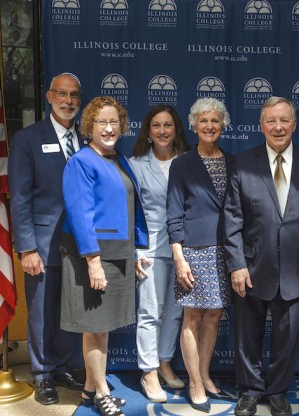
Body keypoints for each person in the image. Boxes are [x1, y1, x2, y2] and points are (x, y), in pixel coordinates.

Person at [224, 97, 299, 416]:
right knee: (247, 335)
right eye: (271, 121)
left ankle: (278, 390)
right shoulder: (242, 162)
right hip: (252, 266)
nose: (278, 127)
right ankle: (250, 390)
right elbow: (232, 218)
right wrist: (237, 265)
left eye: (284, 120)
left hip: (298, 270)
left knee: (287, 338)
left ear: (294, 125)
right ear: (261, 126)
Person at [59, 96, 148, 416]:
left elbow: (126, 210)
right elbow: (80, 214)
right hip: (93, 258)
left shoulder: (118, 159)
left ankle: (89, 388)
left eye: (114, 122)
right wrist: (93, 262)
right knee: (94, 327)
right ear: (89, 127)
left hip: (118, 254)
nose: (109, 128)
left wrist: (134, 251)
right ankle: (102, 393)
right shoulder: (81, 161)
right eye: (101, 122)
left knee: (104, 327)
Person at [9, 72, 85, 405]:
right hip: (41, 244)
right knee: (41, 311)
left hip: (79, 245)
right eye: (62, 94)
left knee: (71, 310)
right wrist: (26, 247)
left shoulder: (87, 138)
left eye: (74, 96)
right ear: (49, 97)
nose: (68, 101)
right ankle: (42, 375)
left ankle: (65, 365)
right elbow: (20, 196)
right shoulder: (28, 139)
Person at [167, 97, 234, 413]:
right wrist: (179, 258)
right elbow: (174, 214)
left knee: (215, 315)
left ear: (223, 126)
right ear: (194, 125)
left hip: (227, 251)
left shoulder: (233, 162)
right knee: (192, 316)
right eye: (203, 121)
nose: (209, 126)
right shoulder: (182, 164)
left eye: (215, 121)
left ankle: (205, 376)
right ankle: (194, 382)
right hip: (193, 251)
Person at [128, 105, 189, 402]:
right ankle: (148, 370)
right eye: (156, 126)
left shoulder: (189, 162)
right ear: (148, 132)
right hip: (149, 247)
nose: (163, 131)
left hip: (183, 249)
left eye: (168, 125)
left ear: (176, 129)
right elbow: (128, 212)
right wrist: (133, 251)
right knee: (150, 312)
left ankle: (165, 362)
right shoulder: (135, 164)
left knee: (175, 313)